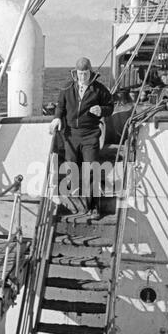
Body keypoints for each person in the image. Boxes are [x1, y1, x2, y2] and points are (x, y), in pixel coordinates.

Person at [50, 57, 114, 219]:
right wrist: (57, 118)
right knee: (71, 167)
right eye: (80, 74)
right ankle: (75, 202)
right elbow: (60, 106)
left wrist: (102, 109)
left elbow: (110, 107)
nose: (82, 77)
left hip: (90, 133)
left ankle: (94, 207)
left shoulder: (99, 89)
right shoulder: (67, 88)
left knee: (91, 168)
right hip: (71, 134)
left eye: (85, 74)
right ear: (75, 73)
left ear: (90, 72)